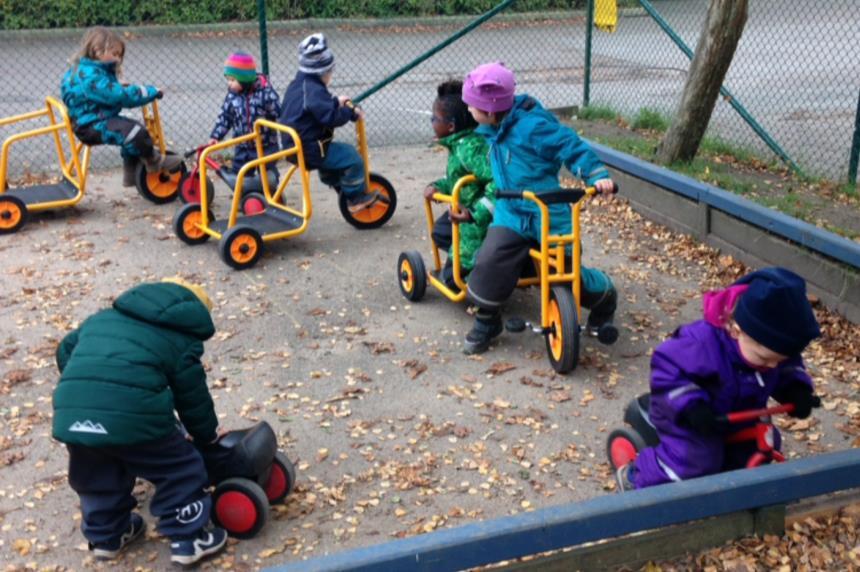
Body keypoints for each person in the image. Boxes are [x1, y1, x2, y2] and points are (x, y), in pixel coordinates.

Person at [52, 278, 228, 565]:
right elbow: (191, 396)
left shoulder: (101, 319)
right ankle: (189, 539)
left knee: (97, 474)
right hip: (133, 416)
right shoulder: (180, 339)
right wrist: (206, 436)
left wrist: (87, 388)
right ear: (193, 312)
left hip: (74, 415)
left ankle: (107, 537)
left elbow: (65, 350)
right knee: (179, 468)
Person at [615, 267, 821, 492]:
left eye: (778, 361)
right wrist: (692, 407)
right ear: (736, 331)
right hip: (692, 417)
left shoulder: (771, 349)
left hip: (740, 415)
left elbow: (788, 367)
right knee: (696, 460)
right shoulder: (702, 343)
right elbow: (669, 372)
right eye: (765, 359)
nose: (772, 366)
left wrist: (796, 389)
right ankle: (635, 477)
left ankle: (731, 491)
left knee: (761, 446)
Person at [460, 62, 618, 354]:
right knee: (491, 258)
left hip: (547, 208)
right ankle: (487, 319)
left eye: (472, 106)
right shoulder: (492, 126)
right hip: (511, 209)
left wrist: (596, 174)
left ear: (491, 110)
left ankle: (604, 294)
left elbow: (569, 145)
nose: (469, 111)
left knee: (566, 271)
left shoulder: (532, 126)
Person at [60, 27, 182, 188]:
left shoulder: (85, 70)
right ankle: (154, 161)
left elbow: (101, 90)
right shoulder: (92, 77)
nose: (117, 59)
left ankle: (131, 174)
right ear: (97, 51)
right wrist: (151, 91)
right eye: (114, 54)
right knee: (135, 132)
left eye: (119, 55)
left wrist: (114, 85)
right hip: (91, 126)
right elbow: (121, 96)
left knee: (128, 131)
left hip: (89, 118)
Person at [278, 33, 379, 213]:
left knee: (337, 155)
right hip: (310, 150)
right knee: (353, 158)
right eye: (330, 72)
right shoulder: (314, 91)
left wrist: (336, 102)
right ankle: (355, 199)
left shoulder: (300, 84)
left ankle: (335, 179)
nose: (330, 76)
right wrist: (349, 112)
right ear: (322, 72)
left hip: (293, 145)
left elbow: (314, 109)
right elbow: (330, 117)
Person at [424, 79, 496, 289]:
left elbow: (496, 182)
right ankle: (476, 261)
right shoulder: (459, 144)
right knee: (439, 231)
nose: (431, 122)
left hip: (476, 219)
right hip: (464, 211)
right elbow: (458, 180)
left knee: (451, 282)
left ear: (451, 126)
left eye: (434, 118)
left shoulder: (469, 149)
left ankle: (477, 269)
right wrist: (438, 186)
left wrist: (476, 212)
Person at [208, 51, 282, 182]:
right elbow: (225, 117)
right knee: (241, 174)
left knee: (267, 174)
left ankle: (271, 191)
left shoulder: (265, 93)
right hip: (242, 145)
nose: (229, 84)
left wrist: (288, 130)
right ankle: (246, 196)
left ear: (244, 79)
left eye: (232, 80)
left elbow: (279, 113)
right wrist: (216, 136)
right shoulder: (232, 95)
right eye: (228, 80)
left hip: (265, 145)